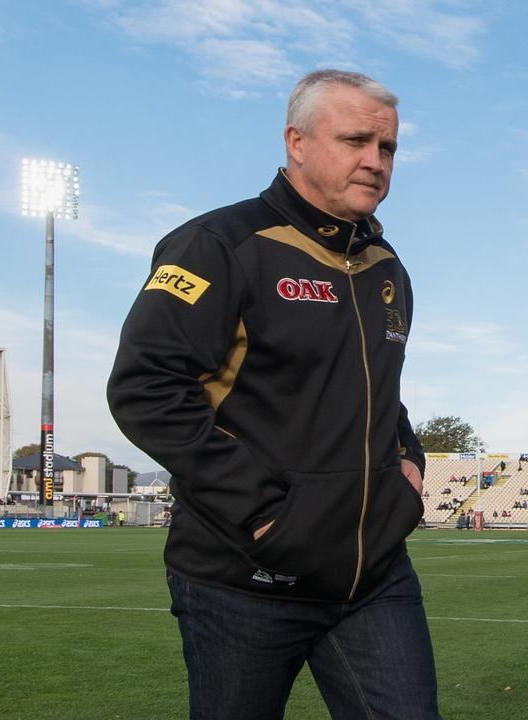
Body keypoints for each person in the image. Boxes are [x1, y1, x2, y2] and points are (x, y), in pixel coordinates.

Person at [107, 69, 438, 719]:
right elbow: (146, 388)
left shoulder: (385, 266)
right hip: (246, 578)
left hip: (373, 575)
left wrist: (411, 461)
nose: (375, 162)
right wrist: (263, 512)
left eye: (388, 148)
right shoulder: (219, 246)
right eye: (354, 141)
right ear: (297, 141)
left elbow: (376, 389)